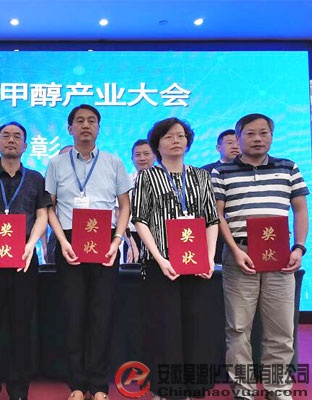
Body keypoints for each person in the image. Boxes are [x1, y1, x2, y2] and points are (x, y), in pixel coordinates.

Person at [212, 113, 309, 400]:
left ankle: (277, 388)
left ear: (272, 136)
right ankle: (243, 390)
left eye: (264, 133)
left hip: (280, 256)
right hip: (239, 255)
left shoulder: (288, 167)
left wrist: (299, 248)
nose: (257, 139)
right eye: (250, 133)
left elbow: (300, 209)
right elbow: (218, 214)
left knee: (281, 328)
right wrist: (234, 249)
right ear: (238, 137)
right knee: (238, 328)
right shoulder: (222, 172)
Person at [45, 104, 132, 400]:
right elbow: (49, 206)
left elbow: (124, 205)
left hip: (105, 242)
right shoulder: (56, 163)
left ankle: (98, 385)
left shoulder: (113, 162)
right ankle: (77, 385)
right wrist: (62, 241)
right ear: (70, 128)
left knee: (101, 314)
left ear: (98, 127)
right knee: (74, 314)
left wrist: (117, 240)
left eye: (91, 121)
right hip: (69, 241)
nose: (85, 125)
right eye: (79, 121)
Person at [132, 118, 219, 400]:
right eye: (168, 137)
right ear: (158, 144)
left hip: (197, 263)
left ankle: (195, 388)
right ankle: (167, 390)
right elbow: (140, 219)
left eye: (181, 136)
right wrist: (160, 258)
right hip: (161, 265)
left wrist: (208, 258)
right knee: (165, 328)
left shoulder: (201, 176)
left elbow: (212, 219)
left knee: (196, 325)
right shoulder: (147, 176)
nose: (176, 141)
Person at [0, 122, 51, 400]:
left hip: (24, 259)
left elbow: (42, 216)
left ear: (25, 146)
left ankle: (18, 390)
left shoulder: (36, 178)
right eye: (6, 136)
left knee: (21, 326)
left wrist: (30, 245)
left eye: (17, 137)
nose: (11, 140)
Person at [201, 129, 239, 265]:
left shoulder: (250, 171)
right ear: (218, 148)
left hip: (242, 233)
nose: (235, 146)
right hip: (214, 234)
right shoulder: (204, 172)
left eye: (238, 142)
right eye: (230, 143)